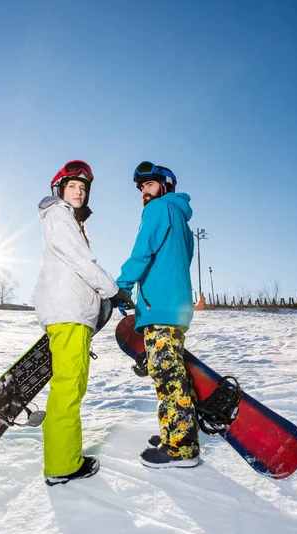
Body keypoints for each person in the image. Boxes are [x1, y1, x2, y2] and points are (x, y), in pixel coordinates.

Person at [35, 160, 133, 486]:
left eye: (82, 188)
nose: (78, 192)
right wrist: (114, 290)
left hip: (72, 315)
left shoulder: (66, 219)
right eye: (72, 187)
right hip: (69, 314)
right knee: (68, 389)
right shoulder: (60, 215)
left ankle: (65, 458)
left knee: (70, 387)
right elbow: (82, 262)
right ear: (60, 189)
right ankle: (63, 466)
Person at [115, 161, 199, 469]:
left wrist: (121, 286)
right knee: (172, 371)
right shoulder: (182, 221)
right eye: (141, 189)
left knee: (168, 376)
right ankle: (173, 431)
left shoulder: (157, 210)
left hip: (159, 308)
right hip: (176, 308)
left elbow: (142, 252)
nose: (143, 192)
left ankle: (180, 448)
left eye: (148, 185)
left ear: (165, 185)